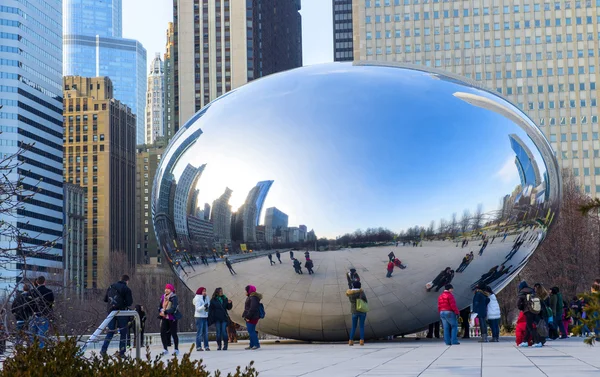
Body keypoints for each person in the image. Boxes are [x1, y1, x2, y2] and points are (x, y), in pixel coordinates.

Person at [100, 274, 133, 356]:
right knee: (123, 332)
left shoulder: (111, 286)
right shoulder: (126, 289)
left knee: (110, 331)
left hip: (111, 312)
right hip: (121, 312)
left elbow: (105, 299)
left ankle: (103, 350)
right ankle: (122, 352)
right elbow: (129, 302)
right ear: (127, 281)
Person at [517, 281, 542, 347]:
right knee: (528, 327)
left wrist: (522, 309)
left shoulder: (522, 292)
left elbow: (519, 303)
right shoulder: (532, 290)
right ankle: (525, 341)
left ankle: (537, 341)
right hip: (535, 310)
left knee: (530, 327)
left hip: (528, 311)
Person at [159, 283, 182, 356]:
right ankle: (165, 349)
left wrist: (166, 312)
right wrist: (160, 311)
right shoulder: (163, 297)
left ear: (171, 290)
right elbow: (159, 306)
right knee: (162, 332)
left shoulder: (174, 297)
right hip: (164, 317)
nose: (166, 290)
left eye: (168, 289)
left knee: (173, 333)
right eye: (165, 288)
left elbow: (174, 308)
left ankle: (176, 349)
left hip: (172, 317)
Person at [346, 281, 367, 346]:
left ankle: (351, 341)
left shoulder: (350, 293)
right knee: (361, 326)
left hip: (354, 311)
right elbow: (365, 300)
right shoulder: (361, 292)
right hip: (362, 310)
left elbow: (351, 301)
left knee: (353, 326)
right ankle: (361, 341)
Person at [242, 285, 263, 350]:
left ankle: (256, 344)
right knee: (251, 331)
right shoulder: (252, 297)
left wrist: (248, 316)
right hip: (251, 316)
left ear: (249, 291)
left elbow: (252, 308)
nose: (245, 292)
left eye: (246, 290)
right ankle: (251, 345)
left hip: (252, 317)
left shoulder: (253, 298)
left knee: (251, 331)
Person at [193, 287, 210, 351]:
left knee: (205, 332)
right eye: (203, 291)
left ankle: (206, 346)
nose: (204, 292)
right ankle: (198, 346)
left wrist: (207, 307)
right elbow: (198, 309)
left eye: (205, 291)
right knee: (199, 332)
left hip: (205, 316)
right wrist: (203, 306)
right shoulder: (197, 298)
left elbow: (208, 304)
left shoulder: (206, 297)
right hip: (199, 317)